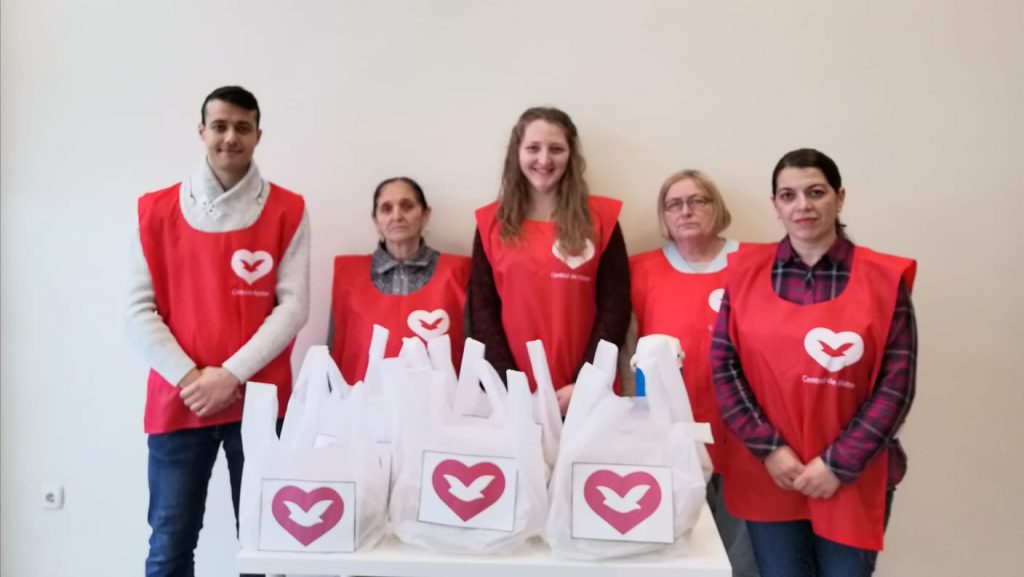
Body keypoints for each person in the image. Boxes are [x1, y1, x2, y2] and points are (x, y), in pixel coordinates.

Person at [125, 86, 310, 577]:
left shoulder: (288, 210)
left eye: (242, 128)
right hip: (178, 400)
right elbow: (136, 311)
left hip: (261, 401)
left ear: (258, 135)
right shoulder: (154, 211)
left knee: (266, 545)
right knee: (170, 543)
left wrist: (230, 375)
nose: (231, 137)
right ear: (202, 131)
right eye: (220, 126)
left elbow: (293, 307)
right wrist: (193, 380)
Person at [711, 149, 917, 577]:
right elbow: (725, 368)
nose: (802, 205)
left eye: (816, 192)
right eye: (788, 195)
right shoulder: (744, 273)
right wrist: (770, 449)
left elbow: (896, 387)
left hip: (852, 475)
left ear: (839, 198)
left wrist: (838, 464)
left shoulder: (882, 280)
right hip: (771, 471)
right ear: (776, 205)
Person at [629, 169, 758, 577]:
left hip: (743, 433)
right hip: (670, 435)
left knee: (740, 561)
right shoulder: (640, 269)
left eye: (697, 200)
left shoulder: (755, 263)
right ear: (664, 216)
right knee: (680, 556)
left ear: (716, 207)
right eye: (674, 204)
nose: (685, 211)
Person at [470, 106, 630, 413]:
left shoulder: (602, 219)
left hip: (586, 391)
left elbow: (616, 308)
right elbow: (483, 313)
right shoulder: (490, 223)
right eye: (533, 148)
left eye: (556, 149)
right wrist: (510, 387)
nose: (544, 160)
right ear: (517, 153)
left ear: (571, 155)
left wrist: (586, 382)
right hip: (512, 396)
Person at [328, 176, 470, 383]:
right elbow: (334, 348)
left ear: (425, 214)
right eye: (386, 208)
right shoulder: (348, 277)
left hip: (440, 398)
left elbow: (474, 351)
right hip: (363, 398)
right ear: (375, 220)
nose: (397, 216)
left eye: (407, 206)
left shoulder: (459, 273)